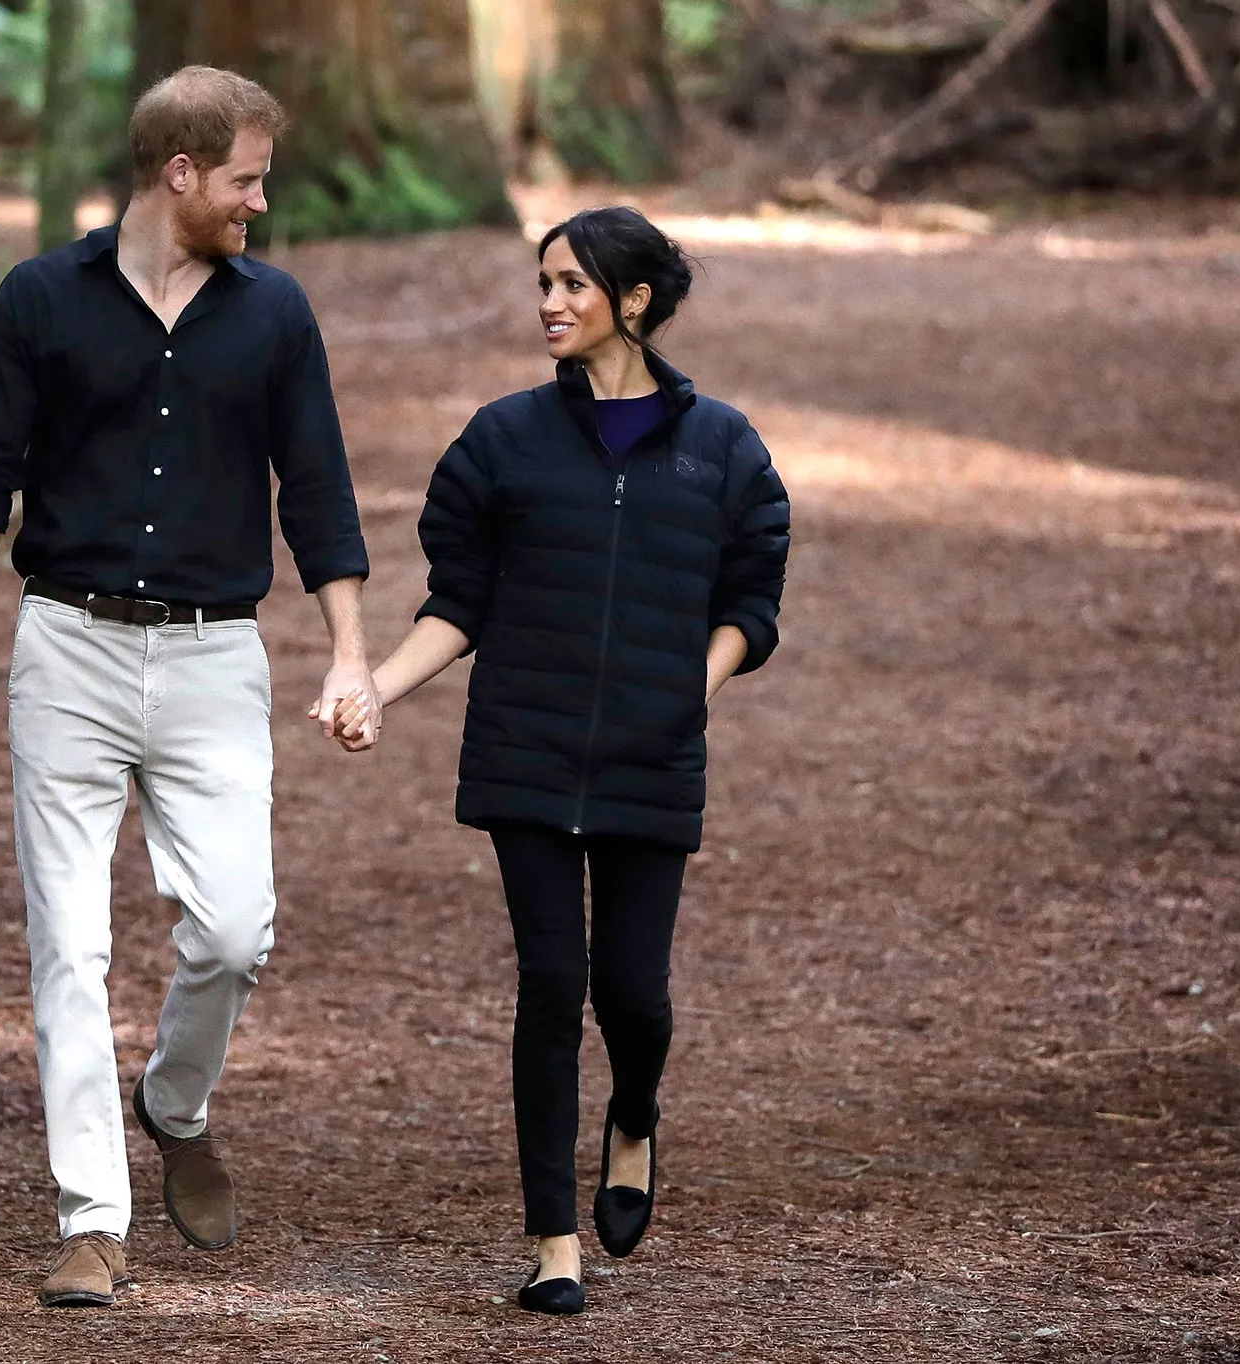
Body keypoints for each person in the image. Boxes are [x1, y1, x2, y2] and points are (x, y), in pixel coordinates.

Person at [0, 66, 381, 1309]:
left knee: (235, 930)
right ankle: (91, 1219)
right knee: (67, 947)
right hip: (66, 646)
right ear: (177, 173)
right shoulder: (39, 300)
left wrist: (347, 649)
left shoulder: (272, 314)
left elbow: (321, 491)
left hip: (211, 658)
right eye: (245, 180)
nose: (260, 205)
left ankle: (171, 1098)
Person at [329, 206, 789, 1315]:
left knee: (632, 993)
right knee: (551, 983)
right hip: (525, 752)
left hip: (649, 756)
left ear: (631, 301)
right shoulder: (501, 441)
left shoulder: (720, 447)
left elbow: (749, 600)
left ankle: (632, 1112)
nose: (549, 302)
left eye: (572, 283)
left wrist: (695, 683)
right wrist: (374, 686)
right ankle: (552, 1239)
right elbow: (458, 603)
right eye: (542, 281)